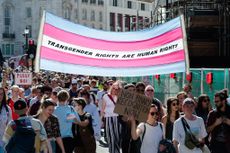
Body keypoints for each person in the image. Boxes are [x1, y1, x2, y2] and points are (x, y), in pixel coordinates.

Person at [101, 81, 122, 153]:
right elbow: (102, 109)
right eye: (114, 88)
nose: (115, 90)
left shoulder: (120, 97)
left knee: (117, 138)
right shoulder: (106, 96)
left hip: (118, 119)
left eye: (117, 89)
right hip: (108, 118)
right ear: (111, 88)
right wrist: (101, 120)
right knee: (111, 138)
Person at [0, 87, 12, 153]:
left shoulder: (8, 109)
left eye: (1, 94)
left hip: (3, 143)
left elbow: (11, 125)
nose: (0, 96)